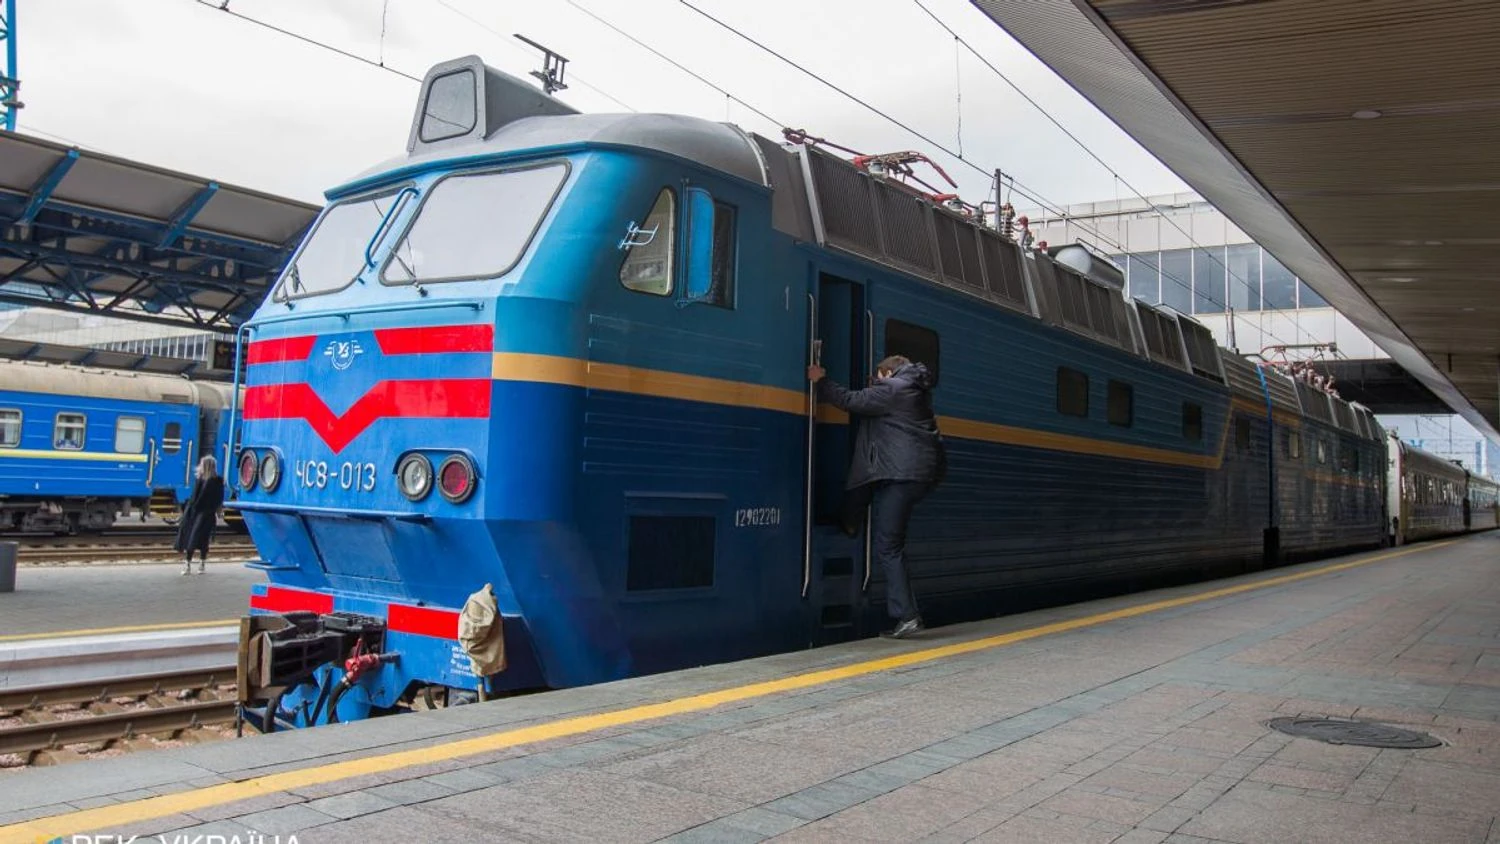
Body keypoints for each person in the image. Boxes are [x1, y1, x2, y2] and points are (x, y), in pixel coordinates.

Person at [808, 354, 946, 639]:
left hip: (902, 475)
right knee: (890, 535)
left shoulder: (893, 389)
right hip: (916, 474)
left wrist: (820, 380)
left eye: (878, 376)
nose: (877, 381)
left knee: (888, 545)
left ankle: (907, 616)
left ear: (887, 372)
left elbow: (851, 400)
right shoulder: (913, 388)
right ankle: (850, 519)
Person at [175, 455, 225, 575]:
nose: (199, 467)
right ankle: (201, 564)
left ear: (205, 466)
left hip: (198, 514)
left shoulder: (204, 480)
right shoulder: (216, 481)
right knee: (202, 539)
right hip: (205, 514)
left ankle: (188, 564)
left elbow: (195, 498)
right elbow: (219, 499)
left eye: (202, 465)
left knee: (192, 538)